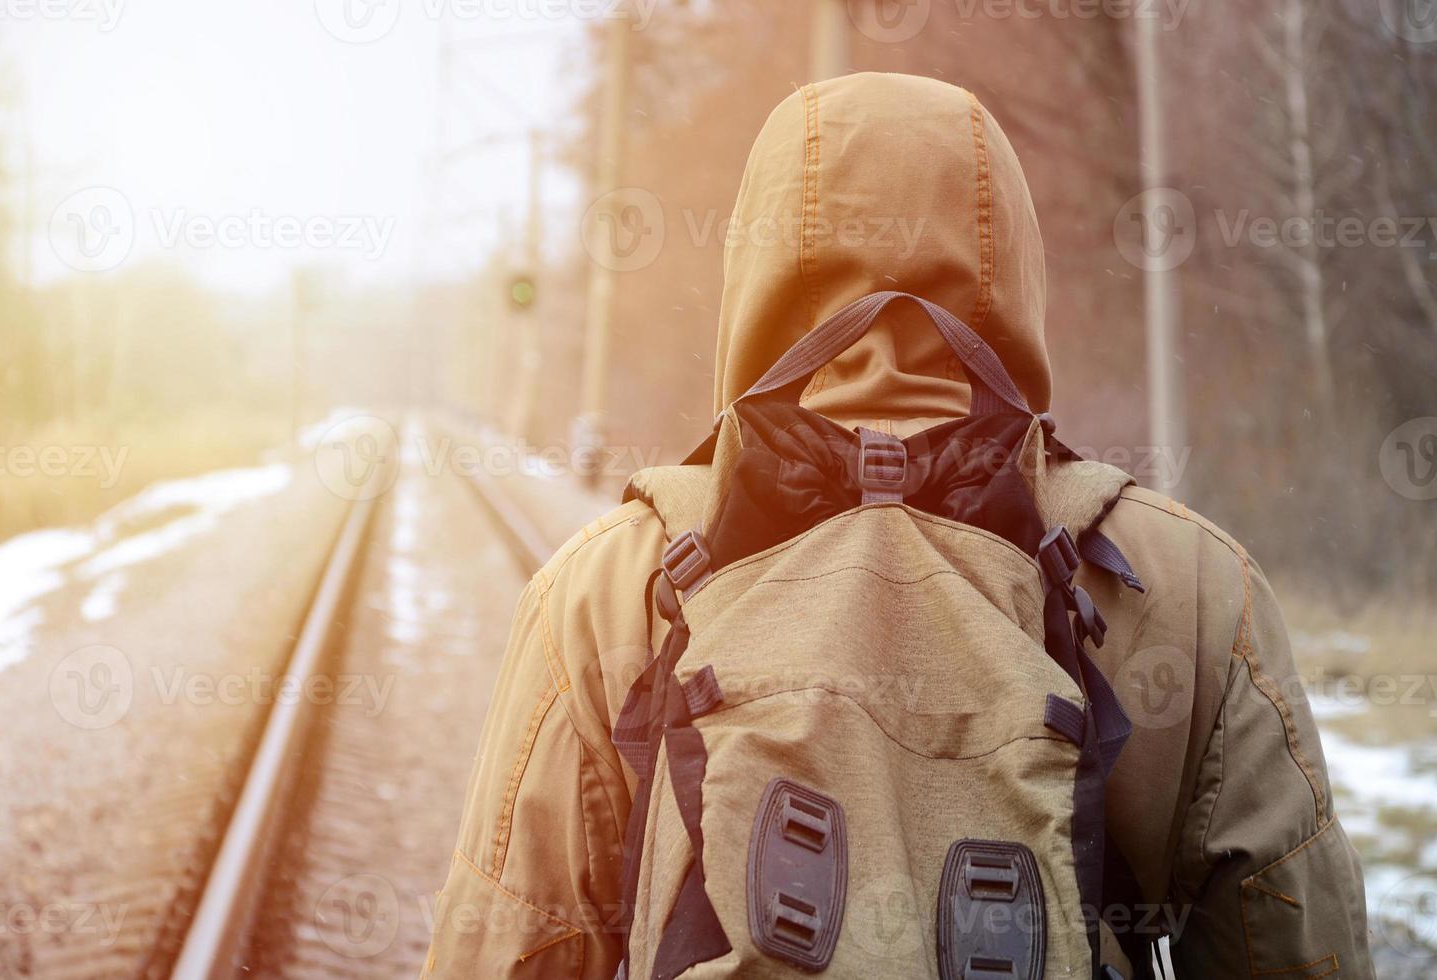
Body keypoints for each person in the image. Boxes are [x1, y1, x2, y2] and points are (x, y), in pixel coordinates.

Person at [421, 72, 1371, 979]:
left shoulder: (607, 589)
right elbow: (1294, 947)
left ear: (755, 271)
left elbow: (505, 948)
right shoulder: (1190, 587)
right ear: (1018, 271)